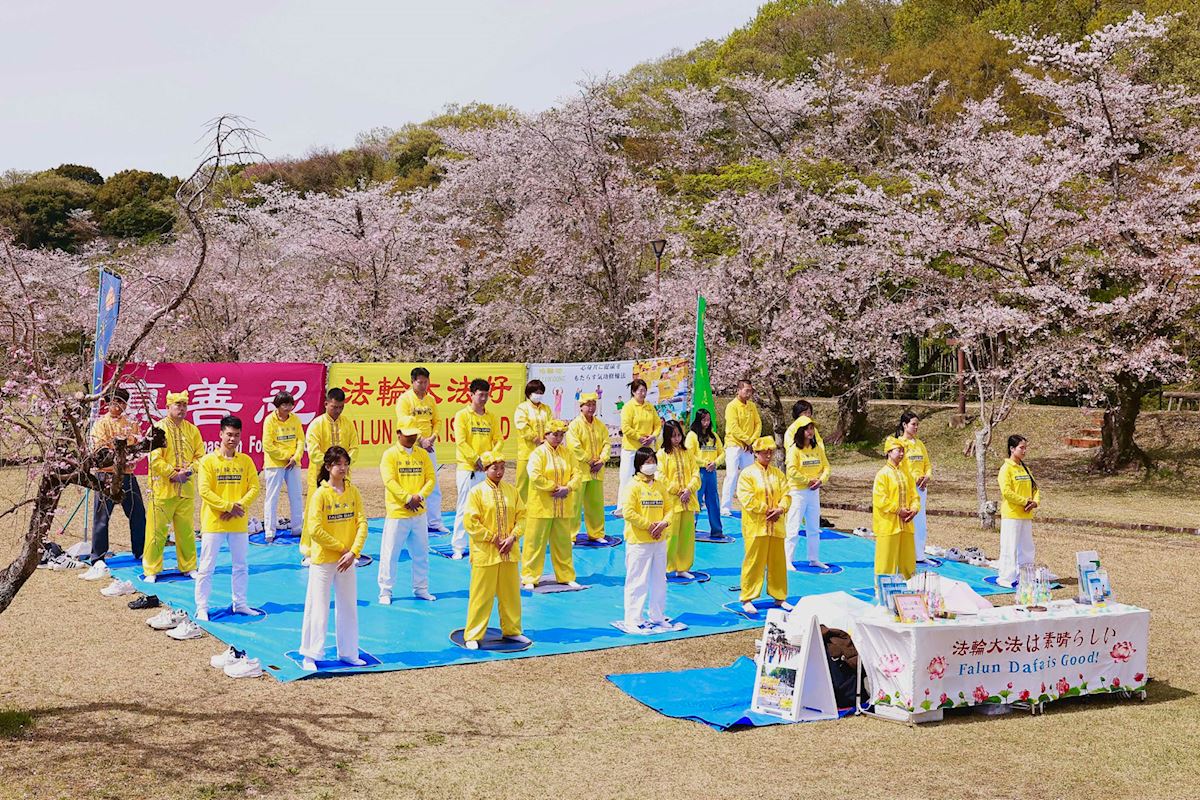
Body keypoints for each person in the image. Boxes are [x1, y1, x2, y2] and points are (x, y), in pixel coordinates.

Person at [299, 446, 368, 671]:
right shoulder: (320, 494)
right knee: (317, 607)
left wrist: (353, 552)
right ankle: (311, 654)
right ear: (328, 467)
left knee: (348, 606)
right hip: (324, 560)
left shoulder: (353, 491)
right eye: (338, 464)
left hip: (347, 560)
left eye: (346, 464)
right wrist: (341, 548)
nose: (343, 468)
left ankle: (349, 652)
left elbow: (362, 522)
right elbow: (315, 529)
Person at [462, 450, 530, 650]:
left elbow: (522, 516)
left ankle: (512, 631)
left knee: (511, 594)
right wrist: (493, 538)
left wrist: (513, 537)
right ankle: (473, 634)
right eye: (494, 468)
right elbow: (471, 522)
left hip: (509, 551)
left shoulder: (512, 491)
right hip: (485, 553)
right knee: (481, 595)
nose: (499, 472)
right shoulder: (477, 492)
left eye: (502, 468)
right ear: (485, 469)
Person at [195, 416, 261, 621]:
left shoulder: (246, 461)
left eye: (237, 435)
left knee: (241, 565)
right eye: (229, 435)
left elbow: (254, 487)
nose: (232, 439)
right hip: (214, 522)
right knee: (207, 566)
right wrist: (228, 506)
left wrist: (238, 506)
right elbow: (204, 491)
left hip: (238, 522)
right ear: (221, 434)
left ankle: (240, 603)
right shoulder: (208, 461)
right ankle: (202, 607)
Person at [144, 390, 205, 582]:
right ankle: (152, 569)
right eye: (178, 404)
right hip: (162, 489)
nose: (182, 408)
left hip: (185, 489)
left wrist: (189, 471)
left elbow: (200, 457)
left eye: (184, 404)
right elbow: (154, 458)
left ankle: (189, 566)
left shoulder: (192, 430)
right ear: (168, 407)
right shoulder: (157, 429)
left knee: (186, 531)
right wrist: (172, 474)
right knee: (156, 531)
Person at [378, 426, 437, 604]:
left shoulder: (422, 454)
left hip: (419, 512)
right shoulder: (390, 455)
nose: (411, 438)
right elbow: (389, 481)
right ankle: (385, 591)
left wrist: (419, 497)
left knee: (421, 553)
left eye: (414, 435)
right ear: (398, 434)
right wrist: (407, 498)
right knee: (390, 553)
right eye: (407, 434)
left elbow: (431, 478)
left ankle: (421, 588)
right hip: (398, 512)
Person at [521, 419, 581, 589]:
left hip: (563, 505)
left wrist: (568, 488)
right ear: (546, 435)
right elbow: (535, 475)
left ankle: (566, 576)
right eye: (555, 434)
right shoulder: (538, 454)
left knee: (563, 543)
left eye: (561, 435)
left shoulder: (568, 453)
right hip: (541, 506)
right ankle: (530, 577)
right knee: (534, 543)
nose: (558, 438)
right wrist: (555, 488)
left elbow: (577, 473)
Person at [90, 386, 147, 563]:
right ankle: (98, 557)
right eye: (113, 401)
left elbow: (138, 447)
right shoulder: (101, 424)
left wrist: (131, 458)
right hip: (106, 475)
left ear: (125, 405)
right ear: (107, 403)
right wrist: (120, 457)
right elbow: (100, 450)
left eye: (121, 402)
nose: (116, 405)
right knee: (102, 517)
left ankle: (141, 550)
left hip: (127, 474)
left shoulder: (132, 424)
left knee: (138, 513)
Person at [736, 436, 793, 613]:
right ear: (756, 453)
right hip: (756, 525)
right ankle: (747, 597)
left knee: (778, 563)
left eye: (771, 452)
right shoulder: (747, 474)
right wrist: (766, 510)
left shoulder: (778, 474)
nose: (768, 455)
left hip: (776, 525)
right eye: (764, 452)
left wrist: (781, 509)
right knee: (754, 562)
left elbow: (787, 494)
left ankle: (780, 597)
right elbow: (746, 498)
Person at [303, 387, 360, 558]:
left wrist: (344, 464)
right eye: (334, 407)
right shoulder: (316, 425)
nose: (337, 410)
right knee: (316, 513)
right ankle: (309, 551)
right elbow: (313, 452)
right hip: (320, 476)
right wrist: (332, 466)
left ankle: (345, 549)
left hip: (342, 477)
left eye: (341, 407)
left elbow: (354, 447)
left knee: (343, 512)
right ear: (326, 404)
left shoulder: (347, 424)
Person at [621, 447, 672, 632]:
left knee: (660, 580)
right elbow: (628, 512)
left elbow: (670, 509)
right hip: (639, 541)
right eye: (647, 462)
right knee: (637, 580)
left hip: (659, 540)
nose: (651, 465)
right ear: (639, 464)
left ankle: (657, 615)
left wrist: (663, 524)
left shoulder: (660, 485)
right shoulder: (633, 486)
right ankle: (632, 619)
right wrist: (649, 526)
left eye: (653, 461)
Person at [450, 378, 502, 558]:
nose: (484, 398)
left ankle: (485, 542)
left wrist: (489, 459)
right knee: (465, 507)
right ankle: (458, 546)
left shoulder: (491, 417)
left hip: (486, 469)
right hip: (468, 468)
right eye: (480, 395)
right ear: (471, 395)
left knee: (487, 507)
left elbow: (498, 440)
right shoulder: (462, 416)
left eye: (487, 395)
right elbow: (461, 442)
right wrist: (476, 458)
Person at [396, 367, 447, 533]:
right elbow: (403, 422)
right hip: (411, 446)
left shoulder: (430, 400)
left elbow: (437, 421)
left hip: (429, 447)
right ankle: (412, 521)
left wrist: (432, 437)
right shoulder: (404, 399)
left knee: (433, 483)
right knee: (412, 483)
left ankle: (434, 522)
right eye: (420, 382)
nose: (423, 385)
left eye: (426, 382)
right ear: (412, 382)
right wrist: (420, 439)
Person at [785, 416, 831, 571]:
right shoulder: (794, 450)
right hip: (797, 492)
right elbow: (791, 470)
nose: (810, 432)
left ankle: (814, 558)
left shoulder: (817, 448)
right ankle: (787, 559)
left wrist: (821, 480)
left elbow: (826, 467)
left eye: (812, 428)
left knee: (813, 526)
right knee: (793, 526)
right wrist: (807, 480)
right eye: (807, 429)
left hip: (813, 492)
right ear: (800, 431)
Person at [872, 436, 921, 579]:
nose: (901, 453)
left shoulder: (906, 474)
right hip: (888, 525)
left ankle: (909, 586)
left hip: (906, 524)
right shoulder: (882, 474)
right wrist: (898, 510)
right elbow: (880, 499)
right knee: (886, 561)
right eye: (898, 450)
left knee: (908, 561)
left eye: (903, 451)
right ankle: (882, 588)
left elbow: (914, 495)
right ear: (889, 452)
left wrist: (914, 509)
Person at [997, 434, 1041, 588]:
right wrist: (1024, 501)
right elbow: (1006, 492)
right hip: (1012, 514)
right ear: (1012, 449)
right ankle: (1006, 578)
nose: (1024, 451)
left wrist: (1035, 502)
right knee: (1009, 547)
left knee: (1027, 547)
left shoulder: (1025, 468)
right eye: (1021, 448)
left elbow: (1035, 488)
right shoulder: (1006, 469)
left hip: (1026, 515)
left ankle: (1026, 576)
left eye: (1025, 448)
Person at [261, 391, 305, 543]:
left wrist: (295, 458)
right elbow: (268, 445)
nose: (287, 408)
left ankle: (297, 528)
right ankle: (269, 531)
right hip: (275, 464)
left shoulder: (295, 419)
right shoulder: (269, 420)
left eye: (290, 404)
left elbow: (301, 440)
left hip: (293, 463)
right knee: (272, 497)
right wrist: (286, 456)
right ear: (277, 406)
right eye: (284, 404)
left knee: (296, 495)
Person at [658, 420, 699, 579]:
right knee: (670, 535)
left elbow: (695, 473)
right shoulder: (662, 454)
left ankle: (682, 567)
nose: (677, 439)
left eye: (679, 435)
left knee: (687, 536)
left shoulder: (688, 453)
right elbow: (660, 476)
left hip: (688, 500)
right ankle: (664, 568)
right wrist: (677, 490)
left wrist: (689, 489)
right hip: (672, 502)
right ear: (667, 436)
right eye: (673, 436)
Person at [565, 392, 608, 542]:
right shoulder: (574, 425)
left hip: (597, 471)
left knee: (596, 504)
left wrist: (602, 460)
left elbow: (606, 444)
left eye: (593, 404)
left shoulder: (600, 425)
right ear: (581, 407)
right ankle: (570, 535)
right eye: (588, 405)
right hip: (580, 471)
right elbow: (574, 447)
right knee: (574, 504)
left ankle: (596, 533)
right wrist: (589, 461)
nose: (591, 408)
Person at [720, 379, 762, 517]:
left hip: (748, 447)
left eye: (751, 391)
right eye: (746, 390)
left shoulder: (752, 406)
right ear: (739, 390)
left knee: (749, 476)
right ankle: (725, 507)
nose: (749, 393)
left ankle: (748, 505)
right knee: (731, 475)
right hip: (734, 444)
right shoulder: (732, 406)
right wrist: (747, 440)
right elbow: (733, 427)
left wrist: (752, 440)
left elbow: (758, 424)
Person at [618, 379, 662, 506]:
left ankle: (647, 503)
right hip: (631, 448)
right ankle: (623, 506)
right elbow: (625, 427)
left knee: (650, 475)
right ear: (633, 392)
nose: (643, 394)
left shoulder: (649, 407)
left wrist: (653, 436)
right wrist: (639, 437)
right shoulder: (628, 407)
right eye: (640, 391)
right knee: (627, 477)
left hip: (647, 448)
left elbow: (657, 424)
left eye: (645, 391)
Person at [898, 412, 934, 564]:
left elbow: (927, 464)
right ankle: (904, 553)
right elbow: (898, 466)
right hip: (906, 488)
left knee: (920, 522)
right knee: (907, 519)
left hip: (921, 488)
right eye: (913, 424)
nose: (916, 427)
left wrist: (927, 477)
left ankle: (919, 554)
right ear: (904, 425)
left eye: (917, 424)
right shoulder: (899, 444)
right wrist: (913, 479)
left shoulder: (920, 444)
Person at [685, 409, 725, 539]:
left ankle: (717, 530)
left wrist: (715, 463)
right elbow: (689, 454)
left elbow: (722, 453)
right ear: (698, 420)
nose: (706, 423)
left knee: (713, 501)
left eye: (708, 420)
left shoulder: (714, 436)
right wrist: (704, 463)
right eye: (703, 420)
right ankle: (690, 528)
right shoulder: (692, 436)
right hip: (698, 472)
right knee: (696, 501)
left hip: (711, 473)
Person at [514, 379, 554, 503]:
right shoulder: (522, 408)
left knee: (542, 481)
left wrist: (547, 439)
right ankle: (520, 509)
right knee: (523, 483)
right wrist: (535, 438)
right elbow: (522, 425)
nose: (538, 394)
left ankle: (538, 507)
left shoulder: (546, 409)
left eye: (541, 392)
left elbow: (551, 425)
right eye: (536, 392)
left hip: (544, 451)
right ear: (529, 393)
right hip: (527, 452)